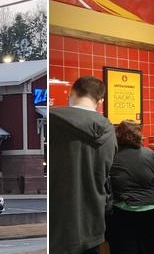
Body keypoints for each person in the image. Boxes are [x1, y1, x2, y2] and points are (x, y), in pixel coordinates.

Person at [49, 76, 117, 254]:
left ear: (72, 92)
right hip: (92, 225)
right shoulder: (109, 130)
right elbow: (108, 173)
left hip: (57, 226)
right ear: (100, 101)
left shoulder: (52, 121)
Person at [106, 121, 154, 254]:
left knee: (125, 248)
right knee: (150, 247)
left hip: (123, 209)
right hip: (153, 207)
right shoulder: (149, 153)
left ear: (117, 135)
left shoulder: (111, 156)